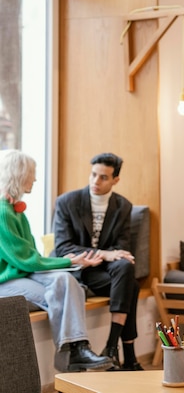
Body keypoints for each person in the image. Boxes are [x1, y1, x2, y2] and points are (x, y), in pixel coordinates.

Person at [0, 149, 112, 372]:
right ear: (19, 174)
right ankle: (72, 357)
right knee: (65, 293)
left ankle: (78, 349)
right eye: (32, 173)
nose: (35, 178)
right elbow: (26, 260)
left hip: (21, 273)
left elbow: (31, 257)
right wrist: (68, 262)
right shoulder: (3, 211)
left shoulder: (16, 212)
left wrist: (69, 264)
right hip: (6, 281)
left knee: (66, 282)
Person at [52, 153, 143, 371]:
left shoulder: (123, 206)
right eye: (93, 175)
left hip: (105, 273)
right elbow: (63, 247)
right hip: (78, 269)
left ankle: (111, 347)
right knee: (132, 285)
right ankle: (126, 355)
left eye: (103, 177)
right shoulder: (67, 202)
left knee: (125, 266)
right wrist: (102, 253)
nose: (96, 181)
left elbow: (122, 248)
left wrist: (111, 255)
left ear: (115, 180)